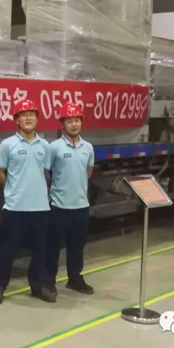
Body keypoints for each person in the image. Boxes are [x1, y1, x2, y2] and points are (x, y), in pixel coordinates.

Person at [0, 99, 55, 305]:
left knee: (40, 251)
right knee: (6, 251)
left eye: (32, 114)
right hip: (15, 208)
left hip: (40, 208)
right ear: (16, 120)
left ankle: (37, 286)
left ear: (37, 119)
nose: (28, 118)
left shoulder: (45, 146)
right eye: (24, 115)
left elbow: (46, 172)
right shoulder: (8, 144)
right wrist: (13, 188)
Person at [45, 102, 95, 296]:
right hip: (59, 206)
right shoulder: (54, 147)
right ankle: (48, 281)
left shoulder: (88, 148)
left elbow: (88, 172)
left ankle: (75, 279)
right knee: (53, 247)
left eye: (77, 120)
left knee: (77, 247)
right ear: (62, 124)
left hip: (81, 206)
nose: (74, 124)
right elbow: (46, 172)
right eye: (69, 121)